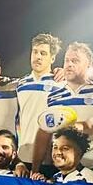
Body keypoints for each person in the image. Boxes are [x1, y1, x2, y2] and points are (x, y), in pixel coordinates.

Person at [31, 42, 93, 178]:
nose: (69, 64)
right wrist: (35, 168)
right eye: (67, 60)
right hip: (61, 167)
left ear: (88, 65)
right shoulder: (53, 96)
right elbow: (45, 133)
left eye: (75, 61)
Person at [16, 33, 63, 174]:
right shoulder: (20, 84)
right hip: (23, 156)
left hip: (50, 159)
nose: (38, 57)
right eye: (35, 52)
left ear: (52, 58)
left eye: (43, 53)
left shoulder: (61, 84)